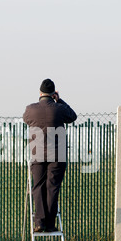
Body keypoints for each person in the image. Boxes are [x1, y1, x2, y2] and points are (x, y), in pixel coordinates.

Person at [23, 78, 77, 232]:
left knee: (38, 187)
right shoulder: (59, 108)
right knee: (52, 188)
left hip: (37, 153)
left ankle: (39, 222)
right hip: (57, 155)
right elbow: (72, 117)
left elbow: (26, 119)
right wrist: (60, 101)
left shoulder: (30, 109)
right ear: (53, 94)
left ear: (40, 93)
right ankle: (50, 224)